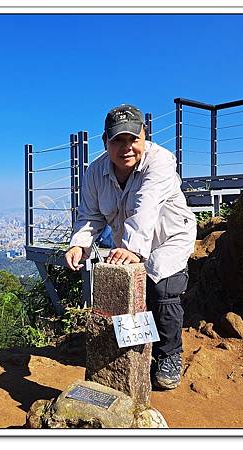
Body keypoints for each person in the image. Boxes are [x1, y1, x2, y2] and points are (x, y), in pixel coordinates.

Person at [65, 104, 197, 390]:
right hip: (130, 242)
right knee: (128, 293)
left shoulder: (160, 161)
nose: (126, 147)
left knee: (162, 290)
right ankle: (134, 354)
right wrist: (79, 245)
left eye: (132, 139)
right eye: (117, 140)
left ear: (144, 136)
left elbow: (146, 204)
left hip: (169, 238)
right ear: (105, 142)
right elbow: (90, 215)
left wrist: (134, 249)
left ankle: (169, 355)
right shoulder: (95, 172)